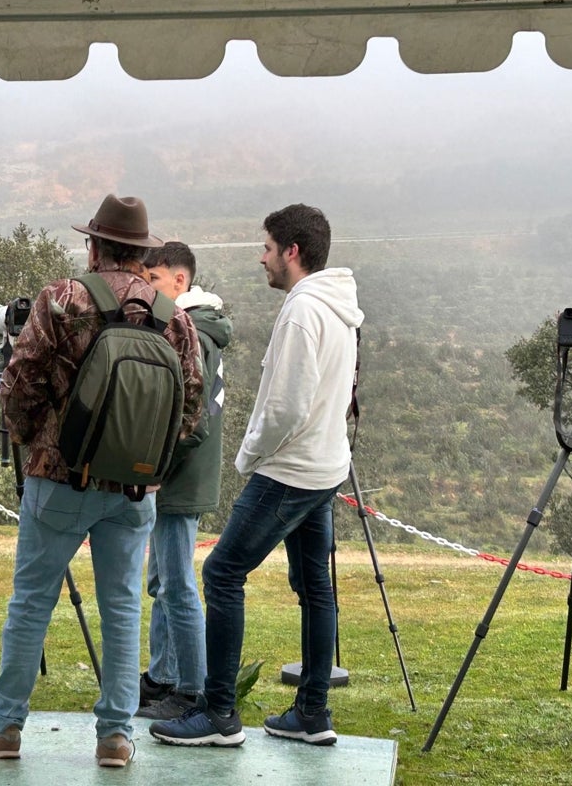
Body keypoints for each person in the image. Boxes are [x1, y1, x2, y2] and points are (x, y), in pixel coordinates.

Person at [0, 194, 203, 767]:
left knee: (31, 603)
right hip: (134, 490)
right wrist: (149, 461)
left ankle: (4, 728)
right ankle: (116, 737)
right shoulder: (174, 315)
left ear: (94, 246)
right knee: (122, 608)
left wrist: (32, 442)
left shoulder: (63, 299)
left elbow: (20, 381)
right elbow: (191, 404)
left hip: (60, 479)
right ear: (142, 251)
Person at [150, 203, 364, 748]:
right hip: (325, 467)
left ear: (292, 251)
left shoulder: (301, 312)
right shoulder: (339, 308)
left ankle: (219, 712)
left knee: (222, 574)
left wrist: (250, 453)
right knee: (315, 588)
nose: (261, 258)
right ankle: (312, 712)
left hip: (289, 471)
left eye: (267, 248)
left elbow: (287, 407)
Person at [136, 241, 233, 720]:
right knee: (161, 581)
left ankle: (190, 689)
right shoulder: (190, 327)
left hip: (176, 478)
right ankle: (161, 677)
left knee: (177, 585)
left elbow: (192, 422)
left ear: (180, 281)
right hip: (172, 476)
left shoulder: (195, 334)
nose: (146, 289)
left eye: (153, 280)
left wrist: (153, 469)